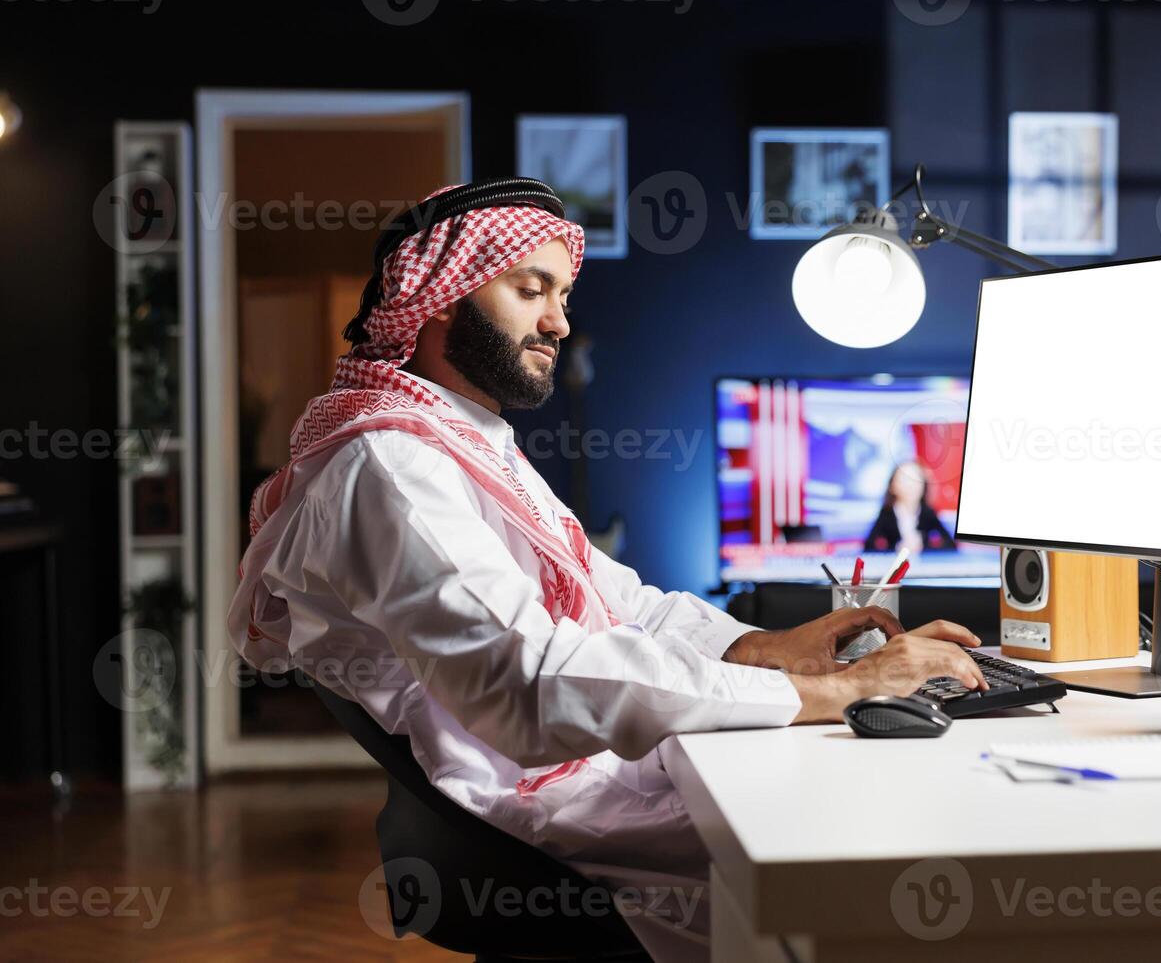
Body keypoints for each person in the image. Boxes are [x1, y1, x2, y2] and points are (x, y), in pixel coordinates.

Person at [227, 178, 985, 962]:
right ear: (442, 298)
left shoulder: (457, 444)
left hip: (582, 769)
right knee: (877, 856)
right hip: (557, 801)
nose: (558, 320)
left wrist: (775, 647)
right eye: (531, 291)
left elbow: (623, 603)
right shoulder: (389, 467)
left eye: (560, 294)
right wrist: (836, 692)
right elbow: (528, 684)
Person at [864, 460, 957, 554]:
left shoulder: (928, 514)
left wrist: (924, 545)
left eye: (916, 479)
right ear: (893, 486)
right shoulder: (886, 514)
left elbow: (950, 545)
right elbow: (869, 548)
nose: (911, 485)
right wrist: (897, 548)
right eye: (905, 479)